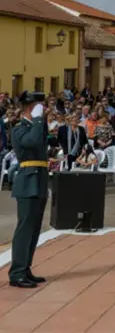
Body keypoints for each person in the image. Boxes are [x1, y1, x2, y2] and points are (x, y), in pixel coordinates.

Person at [8, 91, 48, 288]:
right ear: (30, 109)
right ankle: (16, 272)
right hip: (27, 181)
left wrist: (40, 121)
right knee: (25, 229)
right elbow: (31, 142)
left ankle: (25, 267)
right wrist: (38, 119)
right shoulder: (19, 129)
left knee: (34, 229)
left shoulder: (35, 127)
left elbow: (41, 140)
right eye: (38, 106)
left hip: (39, 179)